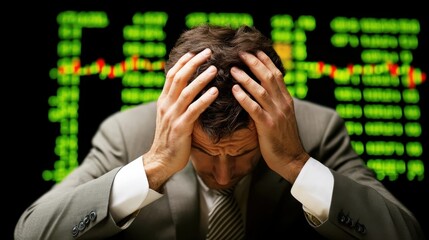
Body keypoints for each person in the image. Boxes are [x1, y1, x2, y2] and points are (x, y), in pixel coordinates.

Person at [15, 24, 424, 240]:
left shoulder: (316, 129)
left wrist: (298, 164)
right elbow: (31, 232)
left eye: (243, 153)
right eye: (206, 152)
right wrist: (154, 166)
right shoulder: (126, 133)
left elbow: (405, 233)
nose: (225, 176)